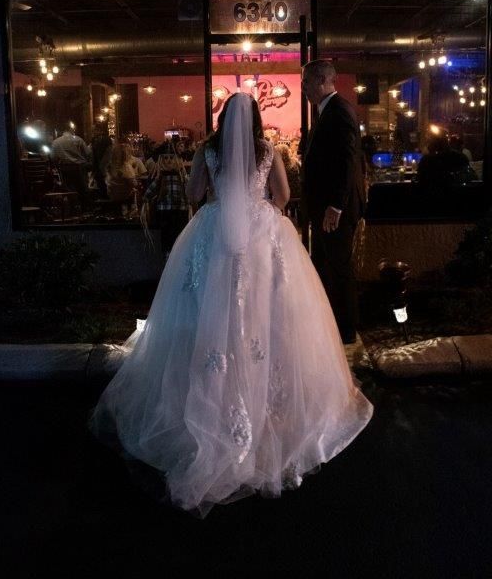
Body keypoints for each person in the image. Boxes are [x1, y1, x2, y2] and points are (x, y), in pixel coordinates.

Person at [90, 93, 372, 517]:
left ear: (223, 119)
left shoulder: (207, 150)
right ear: (257, 119)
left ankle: (210, 403)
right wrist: (260, 211)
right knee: (268, 313)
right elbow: (282, 195)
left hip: (214, 234)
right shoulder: (268, 150)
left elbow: (195, 192)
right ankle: (269, 407)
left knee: (206, 310)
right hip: (262, 240)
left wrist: (221, 200)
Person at [301, 60, 366, 344]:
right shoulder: (326, 111)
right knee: (328, 265)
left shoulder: (339, 112)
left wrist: (336, 206)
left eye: (305, 82)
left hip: (335, 209)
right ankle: (333, 327)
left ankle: (346, 331)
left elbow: (347, 161)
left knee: (339, 269)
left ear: (321, 80)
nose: (302, 88)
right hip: (326, 207)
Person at [142, 144, 190, 256]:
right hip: (165, 209)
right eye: (165, 158)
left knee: (179, 232)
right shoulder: (161, 177)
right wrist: (146, 197)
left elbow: (187, 186)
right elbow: (153, 187)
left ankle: (177, 254)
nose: (168, 161)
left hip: (180, 208)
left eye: (171, 158)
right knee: (167, 232)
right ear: (161, 160)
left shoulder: (181, 175)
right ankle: (168, 254)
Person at [51, 124, 91, 206]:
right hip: (79, 167)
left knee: (69, 189)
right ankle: (85, 208)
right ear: (70, 129)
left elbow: (53, 157)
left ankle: (73, 207)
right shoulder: (78, 139)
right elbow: (87, 153)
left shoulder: (56, 142)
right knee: (82, 188)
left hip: (64, 168)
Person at [105, 142, 138, 217]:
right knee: (136, 190)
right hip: (124, 194)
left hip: (112, 193)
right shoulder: (126, 167)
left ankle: (119, 212)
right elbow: (133, 183)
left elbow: (108, 179)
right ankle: (133, 213)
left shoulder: (110, 166)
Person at [89, 121, 112, 198]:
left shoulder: (106, 140)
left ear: (99, 130)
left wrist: (103, 168)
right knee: (100, 186)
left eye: (94, 130)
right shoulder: (94, 140)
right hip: (97, 167)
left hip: (103, 167)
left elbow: (108, 155)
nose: (92, 132)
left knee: (105, 186)